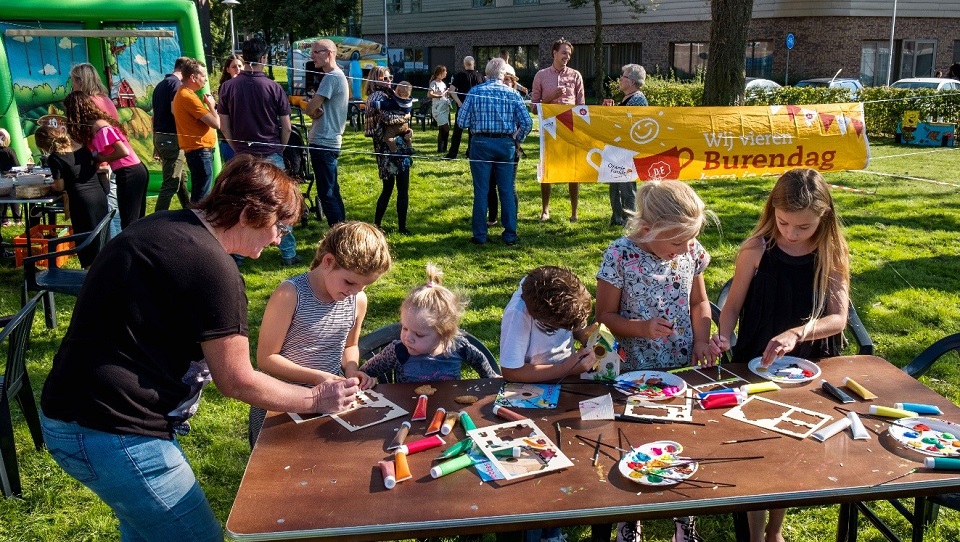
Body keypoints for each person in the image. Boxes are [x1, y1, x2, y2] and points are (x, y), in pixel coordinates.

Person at [39, 155, 362, 542]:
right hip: (112, 430)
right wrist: (316, 400)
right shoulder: (213, 269)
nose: (279, 239)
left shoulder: (165, 225)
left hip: (79, 415)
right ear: (247, 214)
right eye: (279, 226)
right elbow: (237, 380)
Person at [710, 168, 851, 542]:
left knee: (793, 442)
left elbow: (838, 318)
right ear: (771, 210)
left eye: (803, 227)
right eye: (784, 221)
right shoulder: (756, 248)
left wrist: (796, 333)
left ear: (825, 217)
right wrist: (724, 337)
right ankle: (758, 535)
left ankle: (776, 530)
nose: (790, 233)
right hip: (758, 359)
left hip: (810, 362)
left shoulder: (831, 253)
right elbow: (733, 305)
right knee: (759, 446)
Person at [595, 179, 713, 542]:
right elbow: (604, 317)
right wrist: (642, 328)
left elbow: (698, 303)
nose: (684, 249)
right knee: (633, 439)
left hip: (679, 366)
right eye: (677, 242)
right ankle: (631, 513)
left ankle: (683, 513)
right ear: (647, 229)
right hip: (633, 370)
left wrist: (702, 340)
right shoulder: (619, 256)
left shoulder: (690, 251)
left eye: (689, 241)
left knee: (683, 437)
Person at [250, 220, 391, 443]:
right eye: (349, 282)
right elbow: (266, 359)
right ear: (328, 261)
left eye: (362, 288)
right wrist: (318, 378)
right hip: (280, 404)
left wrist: (352, 370)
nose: (353, 292)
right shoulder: (290, 294)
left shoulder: (357, 300)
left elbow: (350, 346)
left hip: (330, 403)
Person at [219, 37, 298, 265]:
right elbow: (287, 126)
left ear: (244, 58)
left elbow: (224, 126)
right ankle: (289, 253)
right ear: (264, 58)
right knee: (281, 204)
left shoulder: (228, 87)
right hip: (271, 152)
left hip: (242, 153)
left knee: (241, 203)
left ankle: (238, 253)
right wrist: (280, 148)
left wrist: (236, 147)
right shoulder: (273, 87)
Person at [360, 263, 500, 383]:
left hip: (449, 411)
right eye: (405, 328)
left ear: (444, 334)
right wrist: (365, 379)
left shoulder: (458, 348)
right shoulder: (397, 351)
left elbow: (481, 363)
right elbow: (366, 372)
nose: (408, 338)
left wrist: (490, 378)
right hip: (408, 410)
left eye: (419, 334)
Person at [457, 57, 532, 246]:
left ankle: (480, 235)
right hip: (505, 144)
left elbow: (461, 122)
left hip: (481, 142)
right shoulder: (513, 94)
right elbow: (527, 123)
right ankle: (510, 234)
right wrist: (517, 139)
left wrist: (476, 122)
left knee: (481, 191)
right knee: (506, 190)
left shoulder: (475, 92)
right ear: (503, 75)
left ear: (486, 74)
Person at [65, 91, 148, 229]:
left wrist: (102, 158)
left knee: (130, 222)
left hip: (129, 172)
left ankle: (130, 249)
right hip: (132, 171)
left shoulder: (100, 126)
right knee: (134, 220)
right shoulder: (93, 126)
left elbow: (123, 151)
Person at [499, 266, 596, 383]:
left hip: (566, 376)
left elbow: (568, 322)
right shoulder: (518, 315)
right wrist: (565, 368)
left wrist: (582, 334)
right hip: (535, 386)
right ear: (533, 315)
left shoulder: (552, 294)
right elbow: (511, 372)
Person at [34, 125, 109, 267]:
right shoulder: (81, 148)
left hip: (81, 201)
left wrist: (49, 186)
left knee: (86, 239)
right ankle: (105, 268)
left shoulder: (55, 157)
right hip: (99, 196)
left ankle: (91, 272)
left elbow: (59, 186)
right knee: (102, 236)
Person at [532, 38, 585, 222]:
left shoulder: (576, 75)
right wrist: (550, 97)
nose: (566, 57)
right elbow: (533, 107)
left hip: (570, 129)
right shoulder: (541, 75)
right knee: (547, 169)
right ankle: (545, 210)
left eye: (569, 54)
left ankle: (574, 212)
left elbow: (581, 106)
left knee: (573, 169)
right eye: (564, 53)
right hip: (549, 128)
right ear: (554, 53)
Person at [69, 62, 121, 237]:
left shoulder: (88, 103)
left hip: (102, 160)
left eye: (73, 82)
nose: (72, 86)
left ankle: (113, 251)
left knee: (108, 212)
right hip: (111, 159)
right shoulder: (105, 99)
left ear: (80, 81)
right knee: (113, 209)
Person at [305, 38, 349, 228]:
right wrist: (316, 110)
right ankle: (342, 231)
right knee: (332, 191)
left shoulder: (331, 77)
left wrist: (313, 108)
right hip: (327, 142)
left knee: (327, 194)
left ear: (329, 53)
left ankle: (338, 236)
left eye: (316, 52)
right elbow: (316, 110)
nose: (311, 56)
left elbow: (310, 109)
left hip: (324, 143)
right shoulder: (337, 76)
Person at [365, 66, 412, 235]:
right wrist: (406, 116)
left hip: (399, 147)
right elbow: (387, 118)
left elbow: (398, 117)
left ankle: (401, 227)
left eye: (390, 77)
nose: (389, 80)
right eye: (384, 78)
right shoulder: (377, 96)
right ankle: (377, 225)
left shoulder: (390, 95)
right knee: (390, 188)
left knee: (402, 187)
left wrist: (407, 128)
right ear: (375, 79)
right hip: (386, 149)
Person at [172, 58, 219, 205]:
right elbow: (216, 123)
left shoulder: (184, 94)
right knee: (201, 198)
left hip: (198, 151)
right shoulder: (188, 97)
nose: (205, 79)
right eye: (203, 76)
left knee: (201, 193)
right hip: (200, 151)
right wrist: (212, 105)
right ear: (193, 77)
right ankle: (195, 225)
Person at [608, 64, 649, 227]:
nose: (620, 79)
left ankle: (629, 220)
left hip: (627, 150)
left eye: (623, 76)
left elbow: (628, 125)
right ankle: (617, 218)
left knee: (626, 187)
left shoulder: (638, 100)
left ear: (632, 81)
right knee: (615, 185)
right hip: (618, 149)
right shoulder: (627, 98)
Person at [152, 56, 190, 211]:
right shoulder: (176, 84)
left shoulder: (160, 85)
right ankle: (156, 221)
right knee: (171, 182)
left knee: (181, 180)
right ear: (184, 69)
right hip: (171, 138)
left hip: (161, 136)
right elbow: (176, 111)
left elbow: (154, 116)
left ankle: (189, 210)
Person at [444, 56, 484, 160]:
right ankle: (470, 153)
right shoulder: (480, 76)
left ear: (464, 64)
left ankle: (452, 154)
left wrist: (459, 102)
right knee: (473, 132)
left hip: (463, 107)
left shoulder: (460, 75)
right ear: (474, 64)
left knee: (457, 132)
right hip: (476, 108)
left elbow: (451, 90)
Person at [217, 54, 244, 163]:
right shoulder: (224, 87)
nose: (238, 69)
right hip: (229, 137)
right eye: (234, 66)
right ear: (228, 69)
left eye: (240, 66)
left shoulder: (249, 84)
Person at [0, 128, 22, 227]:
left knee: (2, 201)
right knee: (14, 197)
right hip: (8, 178)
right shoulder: (9, 151)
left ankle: (4, 220)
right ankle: (17, 219)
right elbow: (17, 165)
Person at [428, 65, 452, 153]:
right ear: (440, 72)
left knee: (442, 129)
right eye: (444, 71)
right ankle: (442, 147)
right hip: (437, 109)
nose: (446, 73)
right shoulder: (433, 83)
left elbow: (445, 95)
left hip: (444, 108)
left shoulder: (443, 83)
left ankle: (442, 148)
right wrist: (439, 95)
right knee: (446, 128)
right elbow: (429, 94)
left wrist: (447, 93)